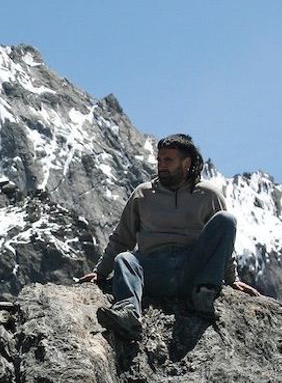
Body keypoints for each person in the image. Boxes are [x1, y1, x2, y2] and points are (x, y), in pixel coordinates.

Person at [79, 134, 258, 338]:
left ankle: (204, 296)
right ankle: (128, 313)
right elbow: (122, 238)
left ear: (186, 163)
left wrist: (231, 279)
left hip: (192, 269)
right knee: (125, 259)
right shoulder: (142, 194)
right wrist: (100, 272)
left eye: (168, 160)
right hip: (154, 271)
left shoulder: (208, 195)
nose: (161, 165)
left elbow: (221, 242)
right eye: (159, 160)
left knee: (226, 220)